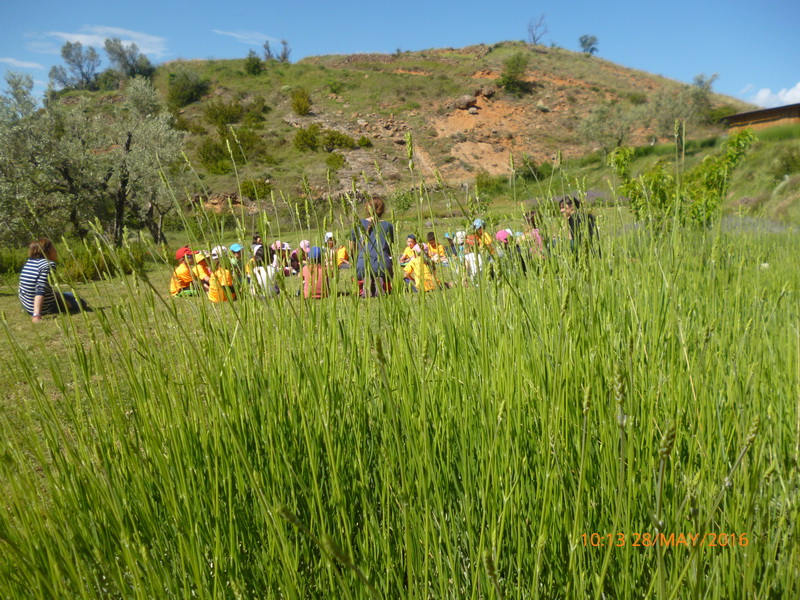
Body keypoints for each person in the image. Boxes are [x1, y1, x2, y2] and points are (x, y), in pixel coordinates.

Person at [19, 238, 86, 323]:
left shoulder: (29, 263)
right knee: (81, 302)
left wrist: (58, 296)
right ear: (46, 251)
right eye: (54, 249)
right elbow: (40, 290)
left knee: (73, 294)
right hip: (45, 307)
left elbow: (26, 286)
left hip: (27, 306)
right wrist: (36, 315)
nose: (56, 251)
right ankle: (38, 312)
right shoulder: (48, 265)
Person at [351, 196, 394, 297]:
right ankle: (382, 284)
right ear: (382, 209)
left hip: (362, 264)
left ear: (366, 209)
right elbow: (391, 249)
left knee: (357, 278)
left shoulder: (357, 224)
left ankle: (364, 284)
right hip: (383, 264)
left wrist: (355, 260)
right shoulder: (388, 226)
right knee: (386, 279)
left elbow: (351, 248)